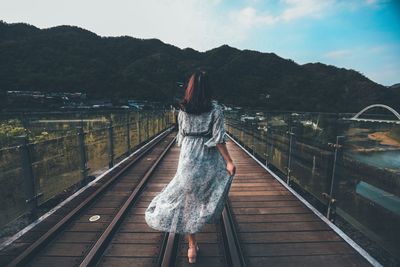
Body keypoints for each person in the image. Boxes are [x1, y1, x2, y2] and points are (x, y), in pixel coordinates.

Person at [145, 70, 236, 264]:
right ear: (209, 88)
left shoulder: (183, 109)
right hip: (207, 158)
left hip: (187, 159)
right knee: (207, 193)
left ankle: (192, 247)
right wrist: (228, 161)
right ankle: (204, 218)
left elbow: (181, 136)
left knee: (187, 201)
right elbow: (219, 139)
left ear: (190, 88)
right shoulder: (215, 109)